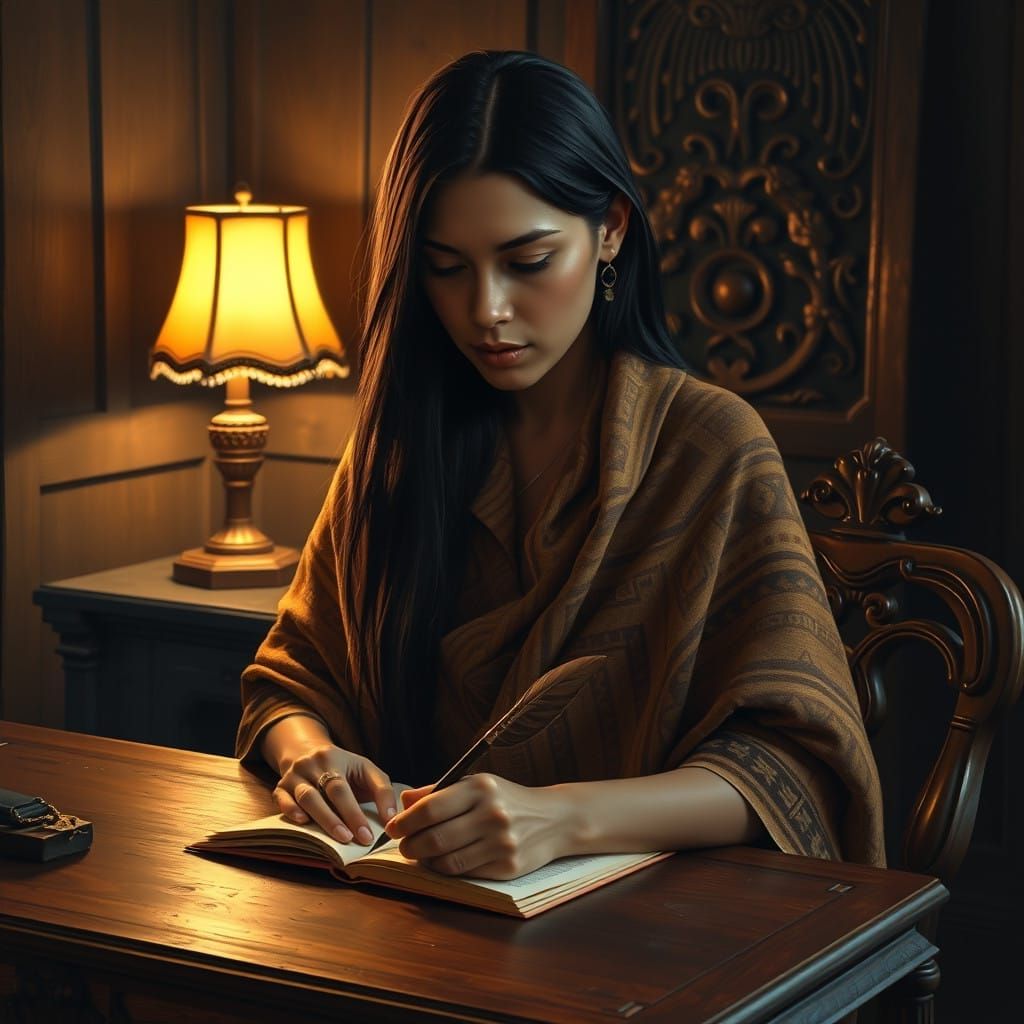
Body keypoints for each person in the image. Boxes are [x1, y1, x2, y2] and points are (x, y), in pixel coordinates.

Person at [236, 50, 884, 881]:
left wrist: (564, 817)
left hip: (642, 934)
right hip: (402, 907)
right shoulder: (400, 449)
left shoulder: (708, 447)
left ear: (611, 228)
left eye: (528, 261)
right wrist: (312, 759)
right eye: (446, 267)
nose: (486, 311)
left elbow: (795, 764)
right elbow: (291, 678)